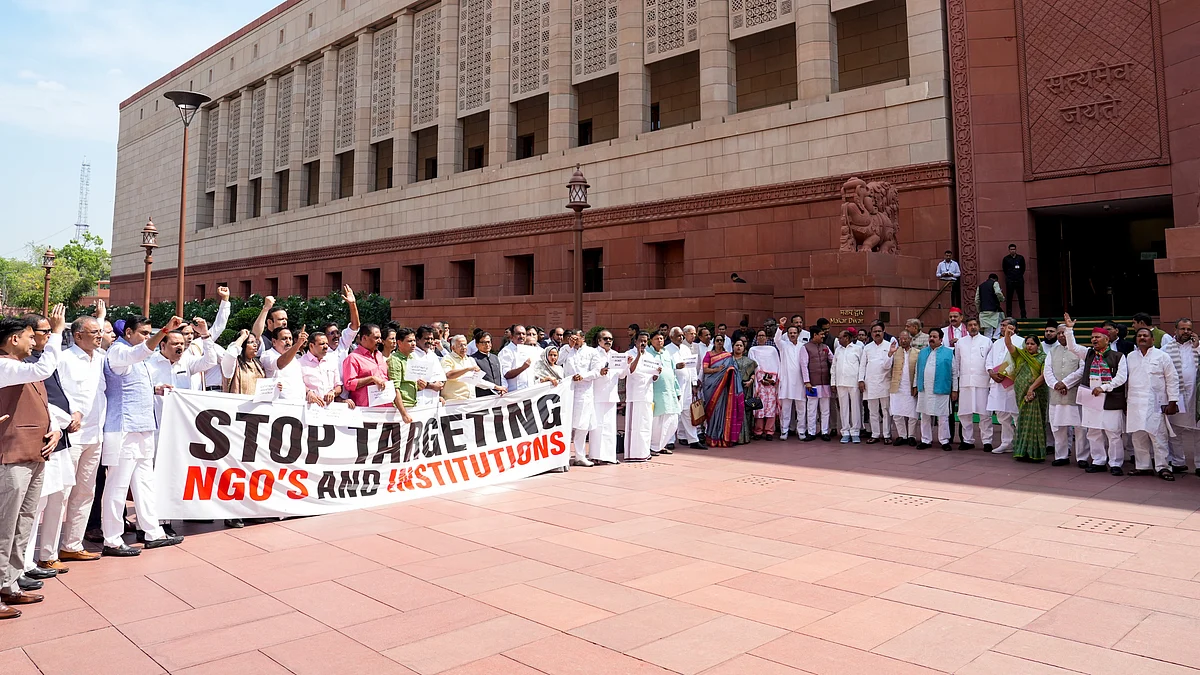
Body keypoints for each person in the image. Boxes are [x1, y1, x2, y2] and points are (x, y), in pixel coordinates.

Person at [101, 315, 186, 557]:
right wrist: (166, 330)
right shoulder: (119, 351)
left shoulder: (137, 356)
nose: (147, 338)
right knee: (117, 485)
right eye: (143, 333)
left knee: (146, 483)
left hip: (143, 427)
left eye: (150, 333)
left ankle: (153, 532)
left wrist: (155, 389)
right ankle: (112, 539)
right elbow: (138, 354)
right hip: (124, 428)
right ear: (128, 333)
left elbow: (134, 383)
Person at [0, 308, 66, 618]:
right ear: (13, 339)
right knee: (5, 525)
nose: (34, 341)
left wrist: (54, 427)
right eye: (30, 336)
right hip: (12, 456)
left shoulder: (23, 366)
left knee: (23, 523)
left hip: (35, 453)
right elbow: (45, 369)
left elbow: (43, 402)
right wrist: (55, 334)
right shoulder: (5, 366)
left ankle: (10, 583)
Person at [47, 316, 106, 567]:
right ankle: (47, 554)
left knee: (85, 491)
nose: (99, 335)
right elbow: (52, 392)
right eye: (94, 332)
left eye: (100, 331)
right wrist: (67, 415)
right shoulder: (63, 358)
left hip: (96, 434)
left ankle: (72, 545)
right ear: (78, 335)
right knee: (60, 493)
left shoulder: (102, 358)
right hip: (70, 434)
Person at [1063, 314, 1128, 475]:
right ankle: (1098, 461)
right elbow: (1072, 347)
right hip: (1091, 399)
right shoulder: (1089, 354)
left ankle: (1115, 463)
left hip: (1110, 399)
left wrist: (1105, 387)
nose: (1094, 340)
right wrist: (1069, 330)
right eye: (1092, 337)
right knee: (1093, 432)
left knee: (1113, 433)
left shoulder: (1118, 356)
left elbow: (1121, 377)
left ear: (1106, 339)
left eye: (1097, 337)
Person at [1124, 326, 1180, 480]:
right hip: (1134, 403)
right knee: (1138, 437)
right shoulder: (1130, 357)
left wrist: (1173, 401)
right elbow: (1126, 380)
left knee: (1159, 437)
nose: (1142, 338)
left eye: (1145, 336)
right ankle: (1143, 467)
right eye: (1139, 336)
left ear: (1152, 339)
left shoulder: (1162, 356)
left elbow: (1172, 379)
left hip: (1155, 404)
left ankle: (1163, 467)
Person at [1043, 324, 1086, 467]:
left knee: (1079, 428)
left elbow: (1082, 371)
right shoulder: (1052, 352)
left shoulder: (1080, 351)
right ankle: (1061, 455)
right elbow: (1047, 370)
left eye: (1064, 333)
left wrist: (1065, 383)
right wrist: (1056, 384)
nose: (1061, 335)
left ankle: (1082, 458)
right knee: (1058, 427)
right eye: (1059, 333)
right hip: (1056, 395)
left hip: (1073, 394)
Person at [1002, 334, 1048, 462]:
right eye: (1027, 343)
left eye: (1032, 344)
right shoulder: (1020, 355)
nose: (1029, 346)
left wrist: (1031, 388)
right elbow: (1008, 344)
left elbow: (1043, 375)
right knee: (1022, 420)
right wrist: (1007, 333)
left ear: (1038, 346)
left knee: (1035, 421)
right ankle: (1021, 452)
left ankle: (1036, 453)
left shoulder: (1043, 358)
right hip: (1021, 393)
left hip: (1037, 393)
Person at [561, 330, 603, 466]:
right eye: (571, 337)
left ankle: (580, 456)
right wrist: (569, 347)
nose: (573, 339)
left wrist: (583, 376)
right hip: (568, 391)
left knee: (582, 426)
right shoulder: (566, 350)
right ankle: (563, 457)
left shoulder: (592, 352)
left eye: (576, 337)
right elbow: (558, 361)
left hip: (584, 392)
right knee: (566, 424)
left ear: (583, 338)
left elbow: (597, 371)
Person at [1163, 319, 1199, 473]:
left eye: (1189, 329)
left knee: (1198, 432)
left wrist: (1197, 347)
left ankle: (1199, 465)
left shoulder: (1198, 346)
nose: (1186, 332)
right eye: (1182, 328)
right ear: (1175, 329)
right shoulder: (1165, 349)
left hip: (1196, 397)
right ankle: (1178, 462)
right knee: (1175, 430)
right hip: (1176, 395)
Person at [952, 317, 993, 451]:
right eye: (970, 325)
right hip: (965, 382)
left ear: (979, 326)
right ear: (966, 327)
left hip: (982, 382)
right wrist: (956, 383)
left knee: (984, 414)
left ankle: (987, 441)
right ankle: (968, 440)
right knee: (964, 414)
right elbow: (957, 363)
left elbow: (990, 362)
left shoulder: (987, 342)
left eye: (975, 325)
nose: (973, 327)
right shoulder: (961, 343)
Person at [985, 320, 1021, 454]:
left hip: (1012, 384)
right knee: (1001, 415)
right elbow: (988, 361)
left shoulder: (1021, 342)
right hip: (997, 383)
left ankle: (1020, 443)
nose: (1002, 327)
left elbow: (1020, 361)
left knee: (1016, 415)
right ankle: (1007, 442)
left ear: (1014, 327)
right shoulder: (997, 342)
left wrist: (1005, 373)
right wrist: (991, 372)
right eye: (1001, 325)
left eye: (1005, 325)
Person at [915, 329, 955, 450]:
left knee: (943, 416)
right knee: (925, 415)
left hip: (941, 388)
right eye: (930, 336)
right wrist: (915, 386)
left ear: (941, 339)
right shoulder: (922, 352)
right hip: (924, 389)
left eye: (935, 336)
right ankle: (926, 440)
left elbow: (954, 373)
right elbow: (917, 371)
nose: (931, 338)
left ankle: (944, 441)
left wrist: (955, 390)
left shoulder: (948, 353)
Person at [701, 337, 744, 447]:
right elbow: (705, 370)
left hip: (724, 388)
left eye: (721, 341)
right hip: (711, 387)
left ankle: (722, 437)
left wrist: (729, 371)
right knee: (713, 412)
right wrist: (717, 370)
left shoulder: (728, 356)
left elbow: (734, 371)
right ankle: (711, 436)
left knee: (723, 412)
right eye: (717, 340)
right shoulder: (709, 354)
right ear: (714, 342)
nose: (720, 342)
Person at [624, 332, 659, 461]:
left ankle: (644, 452)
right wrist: (638, 355)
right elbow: (630, 371)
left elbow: (653, 377)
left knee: (645, 425)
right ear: (635, 341)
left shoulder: (650, 356)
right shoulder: (629, 354)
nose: (643, 343)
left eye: (645, 341)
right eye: (641, 341)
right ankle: (632, 454)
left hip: (647, 395)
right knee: (634, 427)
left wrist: (656, 374)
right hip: (635, 395)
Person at [666, 327, 704, 450]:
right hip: (675, 386)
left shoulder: (686, 349)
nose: (681, 338)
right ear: (671, 337)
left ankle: (693, 439)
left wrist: (694, 383)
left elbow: (692, 367)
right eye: (678, 336)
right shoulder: (666, 350)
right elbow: (665, 369)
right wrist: (675, 367)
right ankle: (670, 440)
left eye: (682, 335)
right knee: (674, 414)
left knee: (688, 412)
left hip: (687, 386)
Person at [589, 330, 621, 464]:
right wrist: (600, 372)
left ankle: (609, 456)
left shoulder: (616, 355)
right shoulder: (593, 353)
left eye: (611, 339)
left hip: (611, 394)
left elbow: (623, 374)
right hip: (598, 394)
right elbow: (591, 371)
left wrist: (628, 363)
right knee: (597, 427)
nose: (608, 341)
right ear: (599, 341)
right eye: (605, 338)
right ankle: (596, 455)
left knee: (610, 427)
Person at [648, 332, 682, 455]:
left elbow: (672, 373)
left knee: (672, 421)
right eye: (656, 339)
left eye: (661, 338)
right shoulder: (647, 354)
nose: (659, 341)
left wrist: (677, 390)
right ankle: (653, 446)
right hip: (656, 392)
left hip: (670, 391)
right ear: (651, 340)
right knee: (657, 422)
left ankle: (661, 444)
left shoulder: (666, 353)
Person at [342, 324, 391, 409]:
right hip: (367, 410)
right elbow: (349, 384)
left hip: (386, 407)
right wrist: (371, 379)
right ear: (364, 338)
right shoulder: (353, 358)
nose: (379, 341)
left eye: (380, 337)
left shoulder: (379, 355)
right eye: (376, 338)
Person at [775, 318, 807, 440]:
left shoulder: (803, 347)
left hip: (800, 382)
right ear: (787, 335)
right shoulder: (783, 345)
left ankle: (801, 430)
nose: (792, 335)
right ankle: (784, 430)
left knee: (801, 408)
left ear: (798, 334)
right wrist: (781, 326)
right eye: (790, 333)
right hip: (787, 381)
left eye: (794, 333)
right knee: (786, 409)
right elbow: (776, 339)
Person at [859, 324, 892, 444]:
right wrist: (860, 380)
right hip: (870, 382)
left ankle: (887, 434)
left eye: (879, 331)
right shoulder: (867, 347)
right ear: (871, 333)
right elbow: (862, 364)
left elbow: (888, 365)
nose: (877, 333)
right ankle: (875, 434)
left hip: (885, 381)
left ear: (883, 332)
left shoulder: (889, 346)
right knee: (872, 410)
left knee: (886, 410)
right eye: (874, 331)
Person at [801, 326, 834, 442]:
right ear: (814, 335)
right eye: (821, 334)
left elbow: (833, 360)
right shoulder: (805, 348)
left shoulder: (825, 347)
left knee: (825, 409)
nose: (823, 336)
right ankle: (811, 432)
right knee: (812, 409)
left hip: (825, 382)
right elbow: (804, 365)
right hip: (812, 383)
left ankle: (824, 431)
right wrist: (807, 382)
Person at [261, 325, 308, 402]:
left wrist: (309, 392)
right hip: (278, 404)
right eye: (284, 339)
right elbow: (280, 364)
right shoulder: (268, 355)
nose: (288, 342)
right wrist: (298, 345)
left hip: (298, 403)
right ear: (274, 342)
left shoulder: (294, 359)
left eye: (290, 339)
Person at [831, 330, 863, 444]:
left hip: (854, 382)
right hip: (841, 382)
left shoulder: (857, 349)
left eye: (840, 338)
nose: (838, 340)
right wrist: (833, 382)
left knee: (855, 407)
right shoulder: (838, 350)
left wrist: (861, 380)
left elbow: (862, 366)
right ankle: (845, 431)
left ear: (847, 338)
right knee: (843, 408)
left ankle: (855, 432)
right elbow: (833, 367)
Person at [198, 286, 232, 391]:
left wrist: (225, 300)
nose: (189, 335)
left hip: (218, 390)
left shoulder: (206, 342)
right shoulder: (183, 350)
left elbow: (219, 325)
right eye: (186, 333)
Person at [300, 331, 346, 407]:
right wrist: (308, 392)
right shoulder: (300, 363)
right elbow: (297, 384)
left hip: (330, 409)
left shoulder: (331, 361)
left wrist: (333, 392)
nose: (326, 347)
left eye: (327, 344)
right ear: (311, 346)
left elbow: (338, 386)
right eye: (322, 344)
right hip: (309, 408)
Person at [889, 330, 920, 445]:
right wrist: (890, 354)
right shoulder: (894, 352)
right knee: (897, 412)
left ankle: (911, 436)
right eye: (901, 338)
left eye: (906, 338)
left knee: (912, 413)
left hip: (911, 387)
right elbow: (886, 366)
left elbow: (919, 371)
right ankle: (902, 435)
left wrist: (916, 386)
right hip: (897, 387)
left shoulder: (917, 352)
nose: (903, 340)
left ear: (910, 339)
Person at [749, 330, 779, 441]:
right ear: (756, 338)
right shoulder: (753, 350)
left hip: (771, 383)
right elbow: (753, 364)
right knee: (759, 407)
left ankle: (769, 431)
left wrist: (772, 379)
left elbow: (777, 364)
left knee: (770, 407)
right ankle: (758, 430)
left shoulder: (772, 350)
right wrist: (761, 378)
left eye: (763, 336)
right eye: (759, 335)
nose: (761, 337)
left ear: (766, 338)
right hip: (759, 383)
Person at [443, 335, 491, 401]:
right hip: (454, 402)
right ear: (453, 348)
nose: (464, 348)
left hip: (471, 401)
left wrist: (495, 387)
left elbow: (477, 380)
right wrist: (467, 369)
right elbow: (448, 375)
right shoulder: (447, 358)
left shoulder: (470, 359)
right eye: (461, 345)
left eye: (465, 345)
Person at [386, 327, 418, 422]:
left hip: (412, 405)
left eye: (414, 340)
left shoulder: (412, 358)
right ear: (399, 343)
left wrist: (420, 384)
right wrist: (403, 413)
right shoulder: (395, 360)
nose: (413, 344)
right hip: (400, 409)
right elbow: (395, 388)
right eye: (409, 341)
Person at [221, 330, 265, 395]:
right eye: (251, 342)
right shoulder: (233, 364)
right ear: (242, 345)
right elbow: (230, 354)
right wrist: (243, 337)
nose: (255, 345)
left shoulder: (258, 365)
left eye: (256, 342)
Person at [413, 326, 447, 406]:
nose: (430, 341)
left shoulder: (432, 355)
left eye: (431, 339)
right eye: (426, 338)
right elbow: (416, 381)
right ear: (417, 339)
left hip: (434, 399)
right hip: (419, 399)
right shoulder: (412, 355)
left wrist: (440, 385)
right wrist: (431, 386)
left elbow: (441, 376)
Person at [731, 338, 756, 445]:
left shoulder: (749, 361)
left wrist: (751, 381)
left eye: (741, 346)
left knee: (744, 412)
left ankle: (744, 436)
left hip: (745, 389)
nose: (739, 347)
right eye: (737, 345)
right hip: (731, 390)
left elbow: (753, 373)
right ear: (733, 346)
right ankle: (732, 437)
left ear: (744, 348)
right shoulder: (728, 359)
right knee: (732, 412)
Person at [499, 325, 537, 392]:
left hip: (529, 392)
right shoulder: (506, 351)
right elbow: (506, 374)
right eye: (518, 334)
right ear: (512, 336)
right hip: (514, 393)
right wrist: (523, 367)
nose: (521, 336)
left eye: (524, 334)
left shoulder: (529, 350)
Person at [471, 332, 505, 397]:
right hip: (483, 397)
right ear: (477, 344)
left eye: (488, 342)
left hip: (498, 396)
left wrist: (503, 388)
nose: (487, 345)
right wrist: (495, 387)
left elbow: (501, 376)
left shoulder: (495, 358)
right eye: (484, 342)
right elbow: (476, 380)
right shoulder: (472, 359)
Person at [976, 274, 1005, 339]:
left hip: (983, 311)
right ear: (995, 279)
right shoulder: (995, 283)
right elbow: (998, 292)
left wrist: (979, 310)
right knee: (1002, 321)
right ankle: (995, 337)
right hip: (994, 309)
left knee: (988, 329)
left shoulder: (980, 286)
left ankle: (988, 341)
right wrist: (1002, 299)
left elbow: (977, 300)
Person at [1003, 243, 1027, 319]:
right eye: (1011, 249)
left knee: (1021, 298)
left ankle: (1023, 315)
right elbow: (1005, 270)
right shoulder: (1006, 259)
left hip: (1019, 280)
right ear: (1009, 250)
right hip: (1010, 280)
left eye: (1014, 249)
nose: (1012, 251)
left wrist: (1019, 275)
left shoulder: (1020, 258)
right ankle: (1009, 315)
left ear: (1016, 250)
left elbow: (1023, 268)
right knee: (1009, 298)